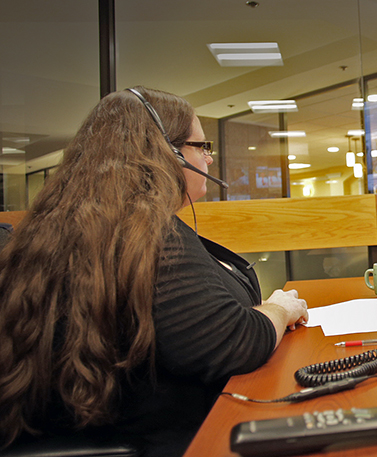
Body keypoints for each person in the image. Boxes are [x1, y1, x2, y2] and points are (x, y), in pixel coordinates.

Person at [0, 87, 308, 456]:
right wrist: (280, 308)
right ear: (169, 152)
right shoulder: (146, 235)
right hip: (169, 442)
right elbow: (235, 342)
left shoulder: (64, 227)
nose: (209, 161)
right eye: (202, 147)